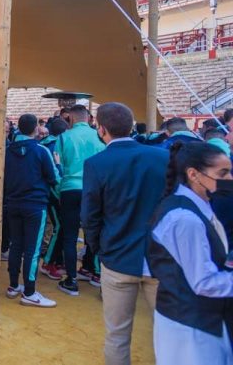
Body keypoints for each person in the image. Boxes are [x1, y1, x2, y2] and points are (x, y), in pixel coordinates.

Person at [81, 103, 169, 365]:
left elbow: (90, 216)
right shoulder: (162, 158)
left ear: (101, 128)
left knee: (117, 336)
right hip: (159, 258)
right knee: (167, 334)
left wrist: (99, 249)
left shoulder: (97, 163)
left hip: (117, 257)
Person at [147, 141, 233, 364]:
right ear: (194, 174)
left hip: (199, 319)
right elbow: (203, 281)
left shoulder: (196, 208)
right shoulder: (185, 219)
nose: (229, 179)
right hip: (191, 324)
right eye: (223, 173)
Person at [3, 114, 59, 308]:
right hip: (35, 204)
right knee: (32, 250)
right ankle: (29, 291)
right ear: (35, 128)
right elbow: (54, 178)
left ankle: (13, 285)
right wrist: (58, 163)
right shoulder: (42, 151)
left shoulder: (7, 151)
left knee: (16, 245)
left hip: (13, 203)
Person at [56, 104, 105, 296]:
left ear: (71, 118)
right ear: (88, 118)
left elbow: (58, 164)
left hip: (69, 188)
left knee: (69, 236)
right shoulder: (98, 137)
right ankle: (96, 273)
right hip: (93, 190)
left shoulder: (63, 137)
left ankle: (71, 280)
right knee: (96, 234)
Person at [39, 117, 68, 280]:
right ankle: (48, 263)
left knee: (57, 226)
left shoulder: (43, 145)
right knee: (58, 227)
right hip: (55, 191)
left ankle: (56, 260)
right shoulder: (57, 146)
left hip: (47, 191)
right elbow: (56, 172)